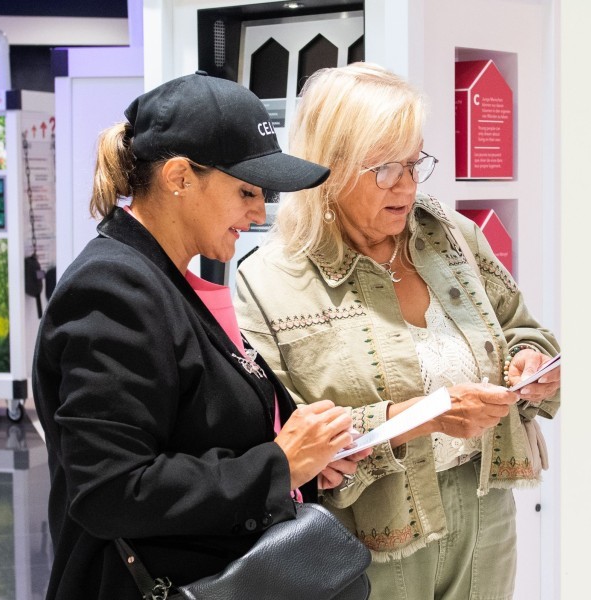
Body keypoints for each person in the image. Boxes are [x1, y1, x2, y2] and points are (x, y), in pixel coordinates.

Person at [33, 73, 369, 600]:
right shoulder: (112, 289)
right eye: (246, 191)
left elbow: (199, 435)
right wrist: (278, 467)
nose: (258, 213)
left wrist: (303, 462)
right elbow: (111, 490)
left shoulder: (168, 280)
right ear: (180, 177)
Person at [234, 63, 563, 600]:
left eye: (414, 163)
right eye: (386, 169)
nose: (407, 186)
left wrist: (531, 361)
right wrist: (426, 414)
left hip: (485, 507)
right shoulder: (271, 279)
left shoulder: (451, 235)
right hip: (366, 532)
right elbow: (282, 440)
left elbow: (519, 326)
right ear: (329, 166)